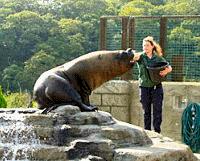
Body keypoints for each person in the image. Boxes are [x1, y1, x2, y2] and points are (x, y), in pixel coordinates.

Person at [132, 36, 172, 133]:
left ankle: (157, 133)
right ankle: (148, 132)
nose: (145, 47)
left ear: (152, 46)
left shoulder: (157, 58)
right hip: (144, 88)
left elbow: (169, 67)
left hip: (156, 88)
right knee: (146, 111)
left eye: (147, 45)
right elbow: (132, 58)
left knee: (157, 111)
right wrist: (133, 57)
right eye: (144, 46)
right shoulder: (141, 57)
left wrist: (166, 71)